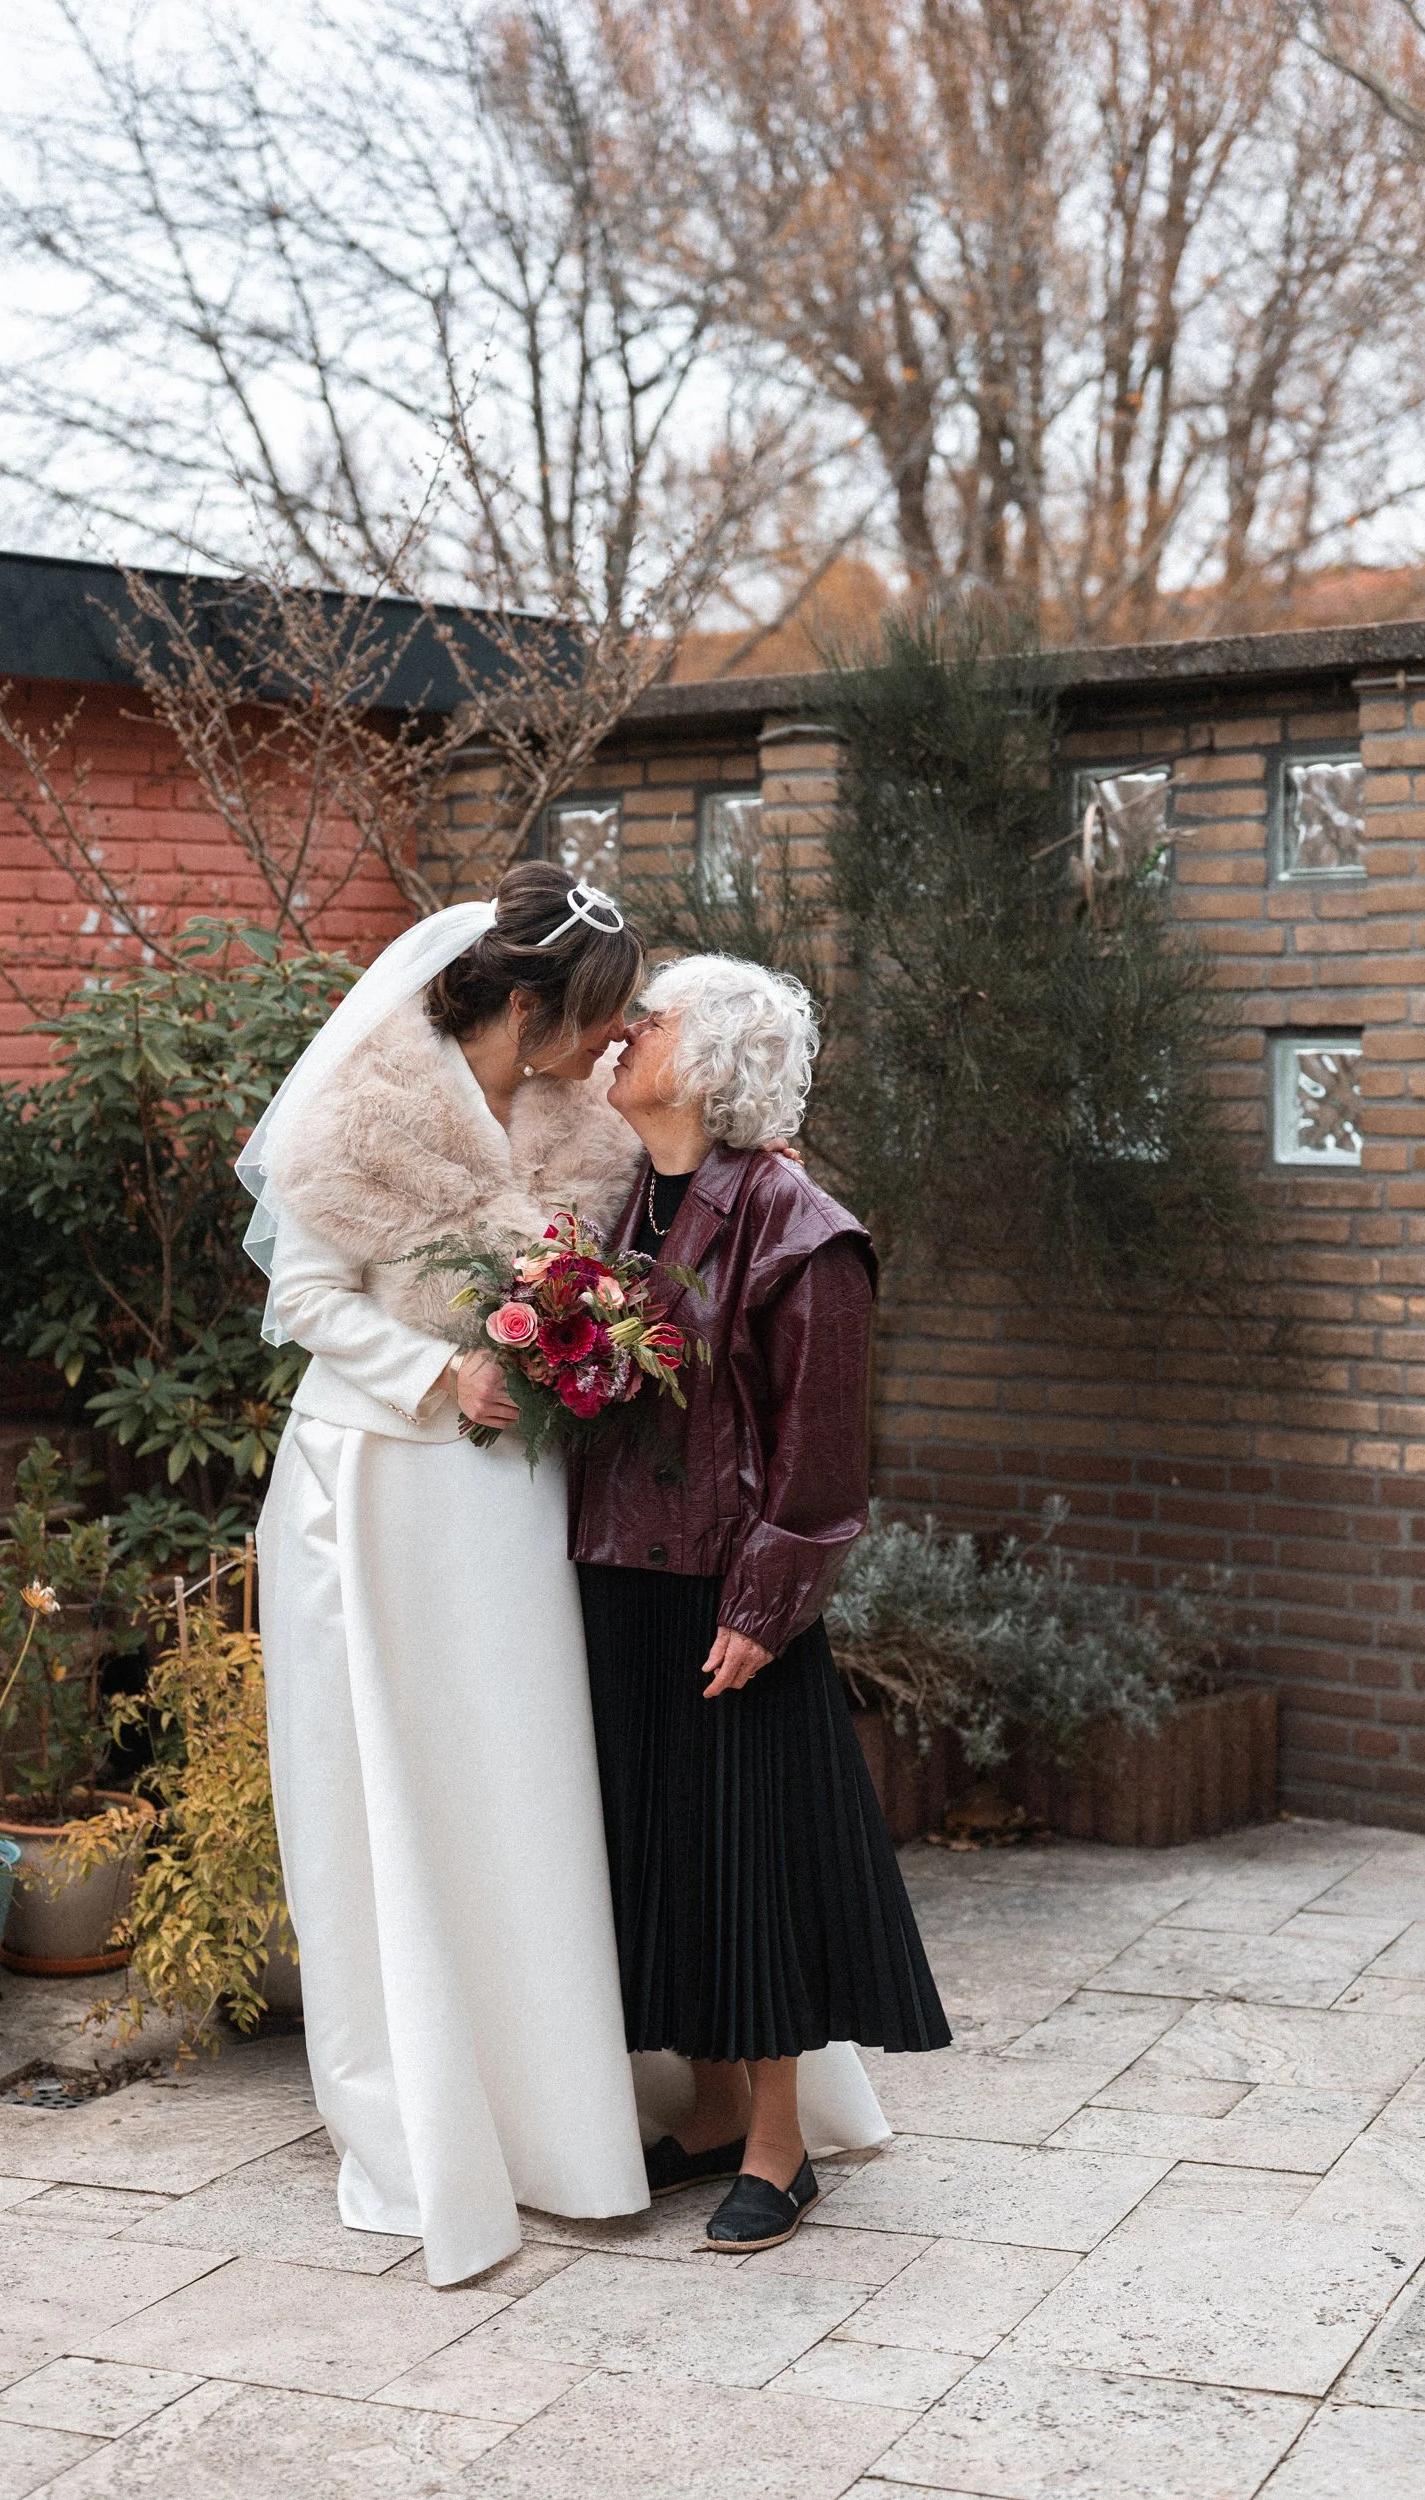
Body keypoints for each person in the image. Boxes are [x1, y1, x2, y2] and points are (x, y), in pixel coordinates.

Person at [242, 863, 653, 2286]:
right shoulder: (361, 1116)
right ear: (529, 1004)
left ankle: (563, 2111)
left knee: (528, 1783)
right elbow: (299, 1300)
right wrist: (436, 1376)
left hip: (514, 1499)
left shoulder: (576, 1129)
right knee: (391, 1799)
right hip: (376, 1490)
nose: (612, 1044)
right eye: (596, 1018)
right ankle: (423, 2114)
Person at [572, 953, 951, 2255]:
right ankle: (706, 2110)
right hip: (615, 1570)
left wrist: (765, 1605)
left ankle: (779, 2150)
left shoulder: (803, 1227)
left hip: (728, 1598)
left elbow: (823, 1458)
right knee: (659, 1852)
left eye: (654, 1016)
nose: (625, 1031)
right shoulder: (629, 1198)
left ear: (717, 1056)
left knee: (753, 1866)